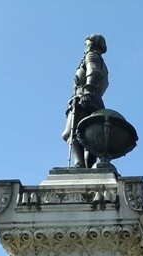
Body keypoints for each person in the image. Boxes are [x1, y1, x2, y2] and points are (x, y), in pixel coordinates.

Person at [61, 34, 109, 167]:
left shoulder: (91, 56)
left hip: (83, 98)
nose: (85, 47)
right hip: (96, 101)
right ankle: (87, 165)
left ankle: (79, 163)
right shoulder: (102, 63)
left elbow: (93, 72)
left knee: (72, 132)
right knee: (90, 134)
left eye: (87, 43)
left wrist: (87, 92)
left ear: (92, 44)